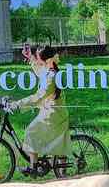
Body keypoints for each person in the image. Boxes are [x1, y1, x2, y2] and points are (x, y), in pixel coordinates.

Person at [9, 45, 71, 177]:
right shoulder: (50, 70)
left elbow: (38, 97)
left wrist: (18, 104)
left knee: (31, 131)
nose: (37, 60)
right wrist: (30, 57)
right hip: (54, 112)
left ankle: (34, 167)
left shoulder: (51, 76)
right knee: (57, 141)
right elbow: (39, 70)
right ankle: (62, 173)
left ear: (45, 60)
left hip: (54, 114)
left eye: (38, 57)